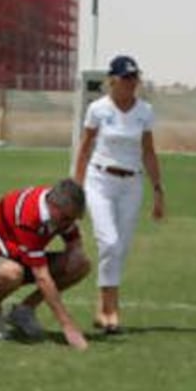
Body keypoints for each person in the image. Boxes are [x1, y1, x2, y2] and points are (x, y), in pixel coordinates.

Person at [73, 54, 165, 334]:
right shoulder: (98, 109)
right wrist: (75, 189)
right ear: (112, 80)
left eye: (134, 77)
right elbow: (85, 147)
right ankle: (111, 309)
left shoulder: (144, 111)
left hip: (132, 184)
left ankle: (102, 306)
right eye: (126, 78)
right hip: (100, 180)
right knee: (109, 242)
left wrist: (158, 190)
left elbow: (148, 152)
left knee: (120, 248)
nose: (131, 83)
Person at [0, 179, 91, 350]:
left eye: (74, 219)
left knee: (81, 265)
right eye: (67, 218)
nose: (69, 223)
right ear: (53, 206)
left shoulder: (61, 212)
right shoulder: (28, 215)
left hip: (20, 258)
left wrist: (75, 254)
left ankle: (23, 311)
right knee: (12, 274)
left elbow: (75, 246)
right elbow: (42, 276)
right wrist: (68, 326)